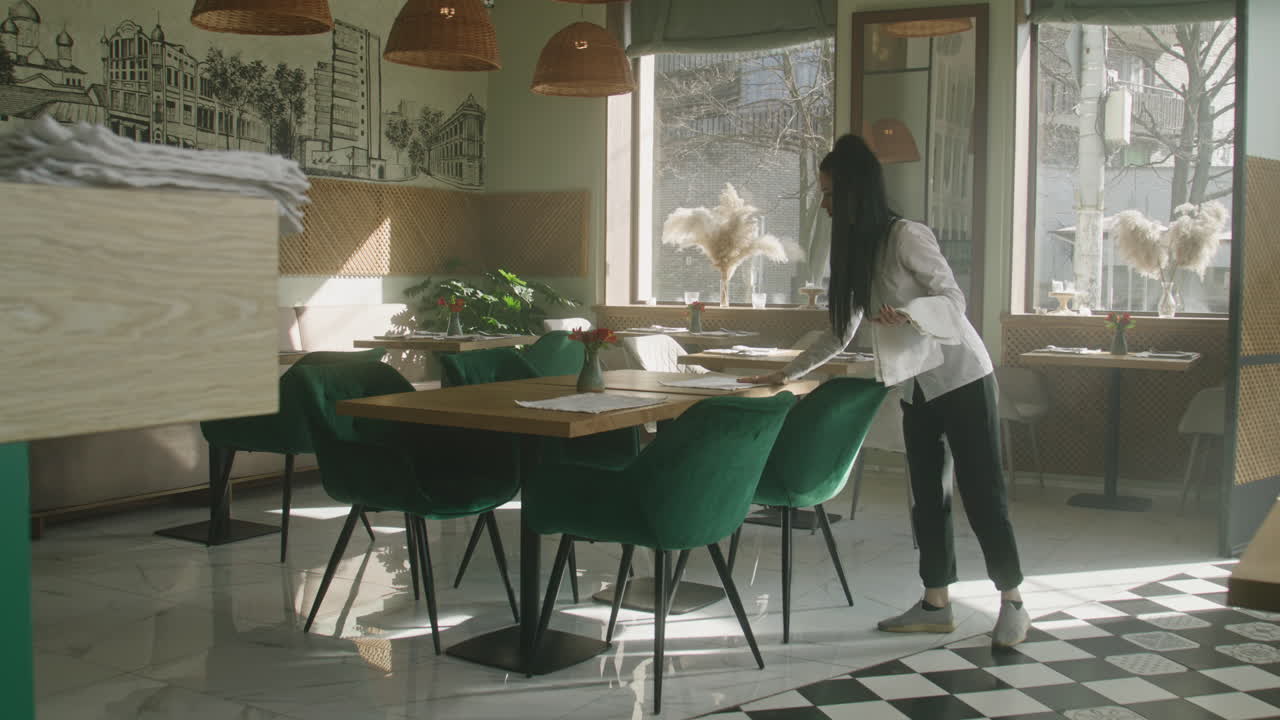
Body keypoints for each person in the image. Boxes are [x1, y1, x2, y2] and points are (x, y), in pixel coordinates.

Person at [740, 134, 1030, 647]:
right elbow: (840, 330)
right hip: (916, 385)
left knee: (983, 494)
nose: (824, 203)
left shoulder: (905, 236)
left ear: (855, 191)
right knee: (927, 499)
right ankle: (935, 603)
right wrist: (785, 374)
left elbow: (953, 299)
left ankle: (1012, 601)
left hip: (962, 376)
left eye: (829, 193)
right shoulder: (856, 252)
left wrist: (912, 314)